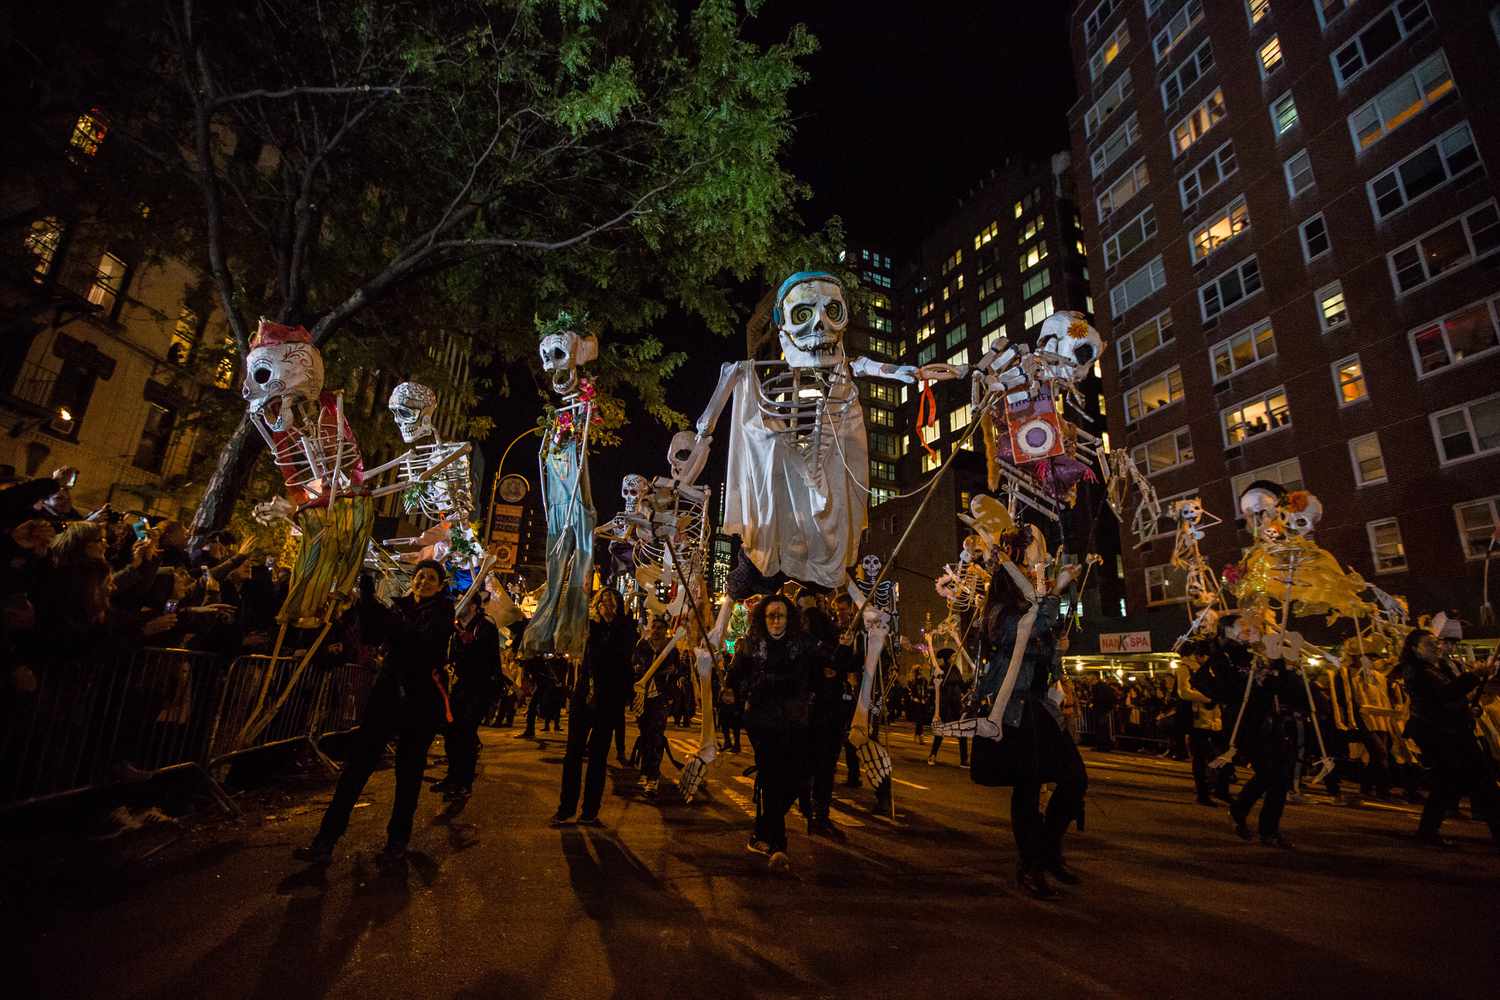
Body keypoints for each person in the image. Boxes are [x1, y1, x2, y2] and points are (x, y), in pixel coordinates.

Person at [295, 560, 455, 866]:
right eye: (420, 576)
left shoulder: (443, 614)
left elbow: (417, 643)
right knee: (356, 768)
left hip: (419, 703)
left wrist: (383, 613)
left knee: (408, 774)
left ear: (439, 586)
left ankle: (397, 841)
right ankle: (325, 840)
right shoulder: (397, 608)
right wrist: (366, 600)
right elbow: (373, 635)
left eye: (431, 578)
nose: (424, 582)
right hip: (386, 697)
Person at [968, 557, 1087, 901]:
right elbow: (1025, 632)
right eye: (1023, 576)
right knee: (1027, 789)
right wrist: (1056, 591)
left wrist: (1058, 651)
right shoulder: (997, 614)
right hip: (1013, 710)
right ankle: (1032, 864)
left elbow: (1046, 652)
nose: (1031, 580)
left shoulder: (1033, 611)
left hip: (1039, 707)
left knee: (1075, 779)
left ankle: (1047, 850)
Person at [729, 594, 814, 870]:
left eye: (781, 615)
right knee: (771, 778)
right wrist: (732, 688)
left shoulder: (800, 645)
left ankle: (761, 830)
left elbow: (819, 668)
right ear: (763, 618)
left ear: (789, 618)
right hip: (762, 722)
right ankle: (778, 845)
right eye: (771, 615)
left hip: (794, 722)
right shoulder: (751, 645)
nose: (776, 621)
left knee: (799, 778)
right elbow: (735, 676)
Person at [1398, 629, 1500, 847]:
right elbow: (1446, 694)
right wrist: (1474, 676)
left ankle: (1427, 831)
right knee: (1475, 780)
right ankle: (1428, 831)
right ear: (1415, 649)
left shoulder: (1441, 667)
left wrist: (1469, 709)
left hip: (1454, 732)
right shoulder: (1417, 671)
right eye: (1429, 644)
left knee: (1456, 782)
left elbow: (1455, 697)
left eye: (1436, 642)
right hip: (1438, 734)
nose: (1436, 647)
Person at [551, 588, 637, 827]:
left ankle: (590, 811)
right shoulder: (588, 627)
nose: (607, 605)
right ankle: (566, 808)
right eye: (603, 601)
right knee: (573, 754)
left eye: (612, 601)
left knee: (598, 757)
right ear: (597, 605)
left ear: (619, 606)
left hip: (608, 701)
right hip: (583, 696)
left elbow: (621, 656)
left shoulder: (625, 629)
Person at [1218, 615, 1300, 850]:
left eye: (1253, 627)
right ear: (1228, 631)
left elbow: (1282, 688)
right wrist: (1255, 678)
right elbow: (1228, 689)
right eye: (1243, 626)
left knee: (1280, 776)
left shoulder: (1266, 653)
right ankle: (1246, 814)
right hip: (1246, 724)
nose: (1250, 629)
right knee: (1268, 772)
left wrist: (1283, 667)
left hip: (1272, 721)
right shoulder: (1227, 656)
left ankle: (1267, 828)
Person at [433, 592, 503, 801]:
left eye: (463, 600)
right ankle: (452, 777)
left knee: (466, 734)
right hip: (461, 686)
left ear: (473, 606)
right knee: (451, 732)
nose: (459, 603)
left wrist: (470, 642)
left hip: (479, 688)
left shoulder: (486, 625)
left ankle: (464, 783)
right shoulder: (457, 627)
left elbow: (486, 657)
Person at [1177, 647, 1231, 805]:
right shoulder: (1185, 668)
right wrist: (1207, 699)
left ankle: (1220, 788)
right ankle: (1203, 793)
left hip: (1215, 720)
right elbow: (1184, 692)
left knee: (1223, 754)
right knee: (1201, 758)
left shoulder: (1210, 669)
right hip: (1198, 720)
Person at [928, 649, 969, 767]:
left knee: (962, 731)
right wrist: (941, 685)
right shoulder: (939, 669)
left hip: (956, 705)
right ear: (947, 658)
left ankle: (964, 759)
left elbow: (961, 685)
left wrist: (969, 684)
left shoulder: (955, 669)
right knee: (940, 731)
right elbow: (932, 686)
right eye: (952, 656)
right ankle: (933, 755)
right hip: (945, 705)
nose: (954, 658)